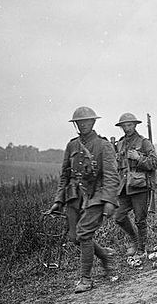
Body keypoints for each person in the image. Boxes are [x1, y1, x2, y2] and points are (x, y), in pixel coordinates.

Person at [48, 107, 119, 293]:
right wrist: (58, 201)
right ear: (76, 125)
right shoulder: (72, 146)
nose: (83, 124)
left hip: (97, 194)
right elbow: (64, 175)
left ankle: (86, 280)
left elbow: (112, 175)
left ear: (93, 122)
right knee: (74, 238)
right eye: (79, 122)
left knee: (84, 233)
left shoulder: (103, 146)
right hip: (74, 196)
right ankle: (104, 256)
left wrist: (110, 201)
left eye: (87, 121)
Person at [113, 113, 157, 267]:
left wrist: (138, 158)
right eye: (124, 126)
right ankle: (134, 239)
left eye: (130, 125)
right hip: (124, 187)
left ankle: (141, 248)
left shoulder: (144, 143)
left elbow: (154, 163)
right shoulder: (119, 144)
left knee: (140, 219)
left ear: (135, 125)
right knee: (119, 217)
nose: (127, 128)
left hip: (139, 187)